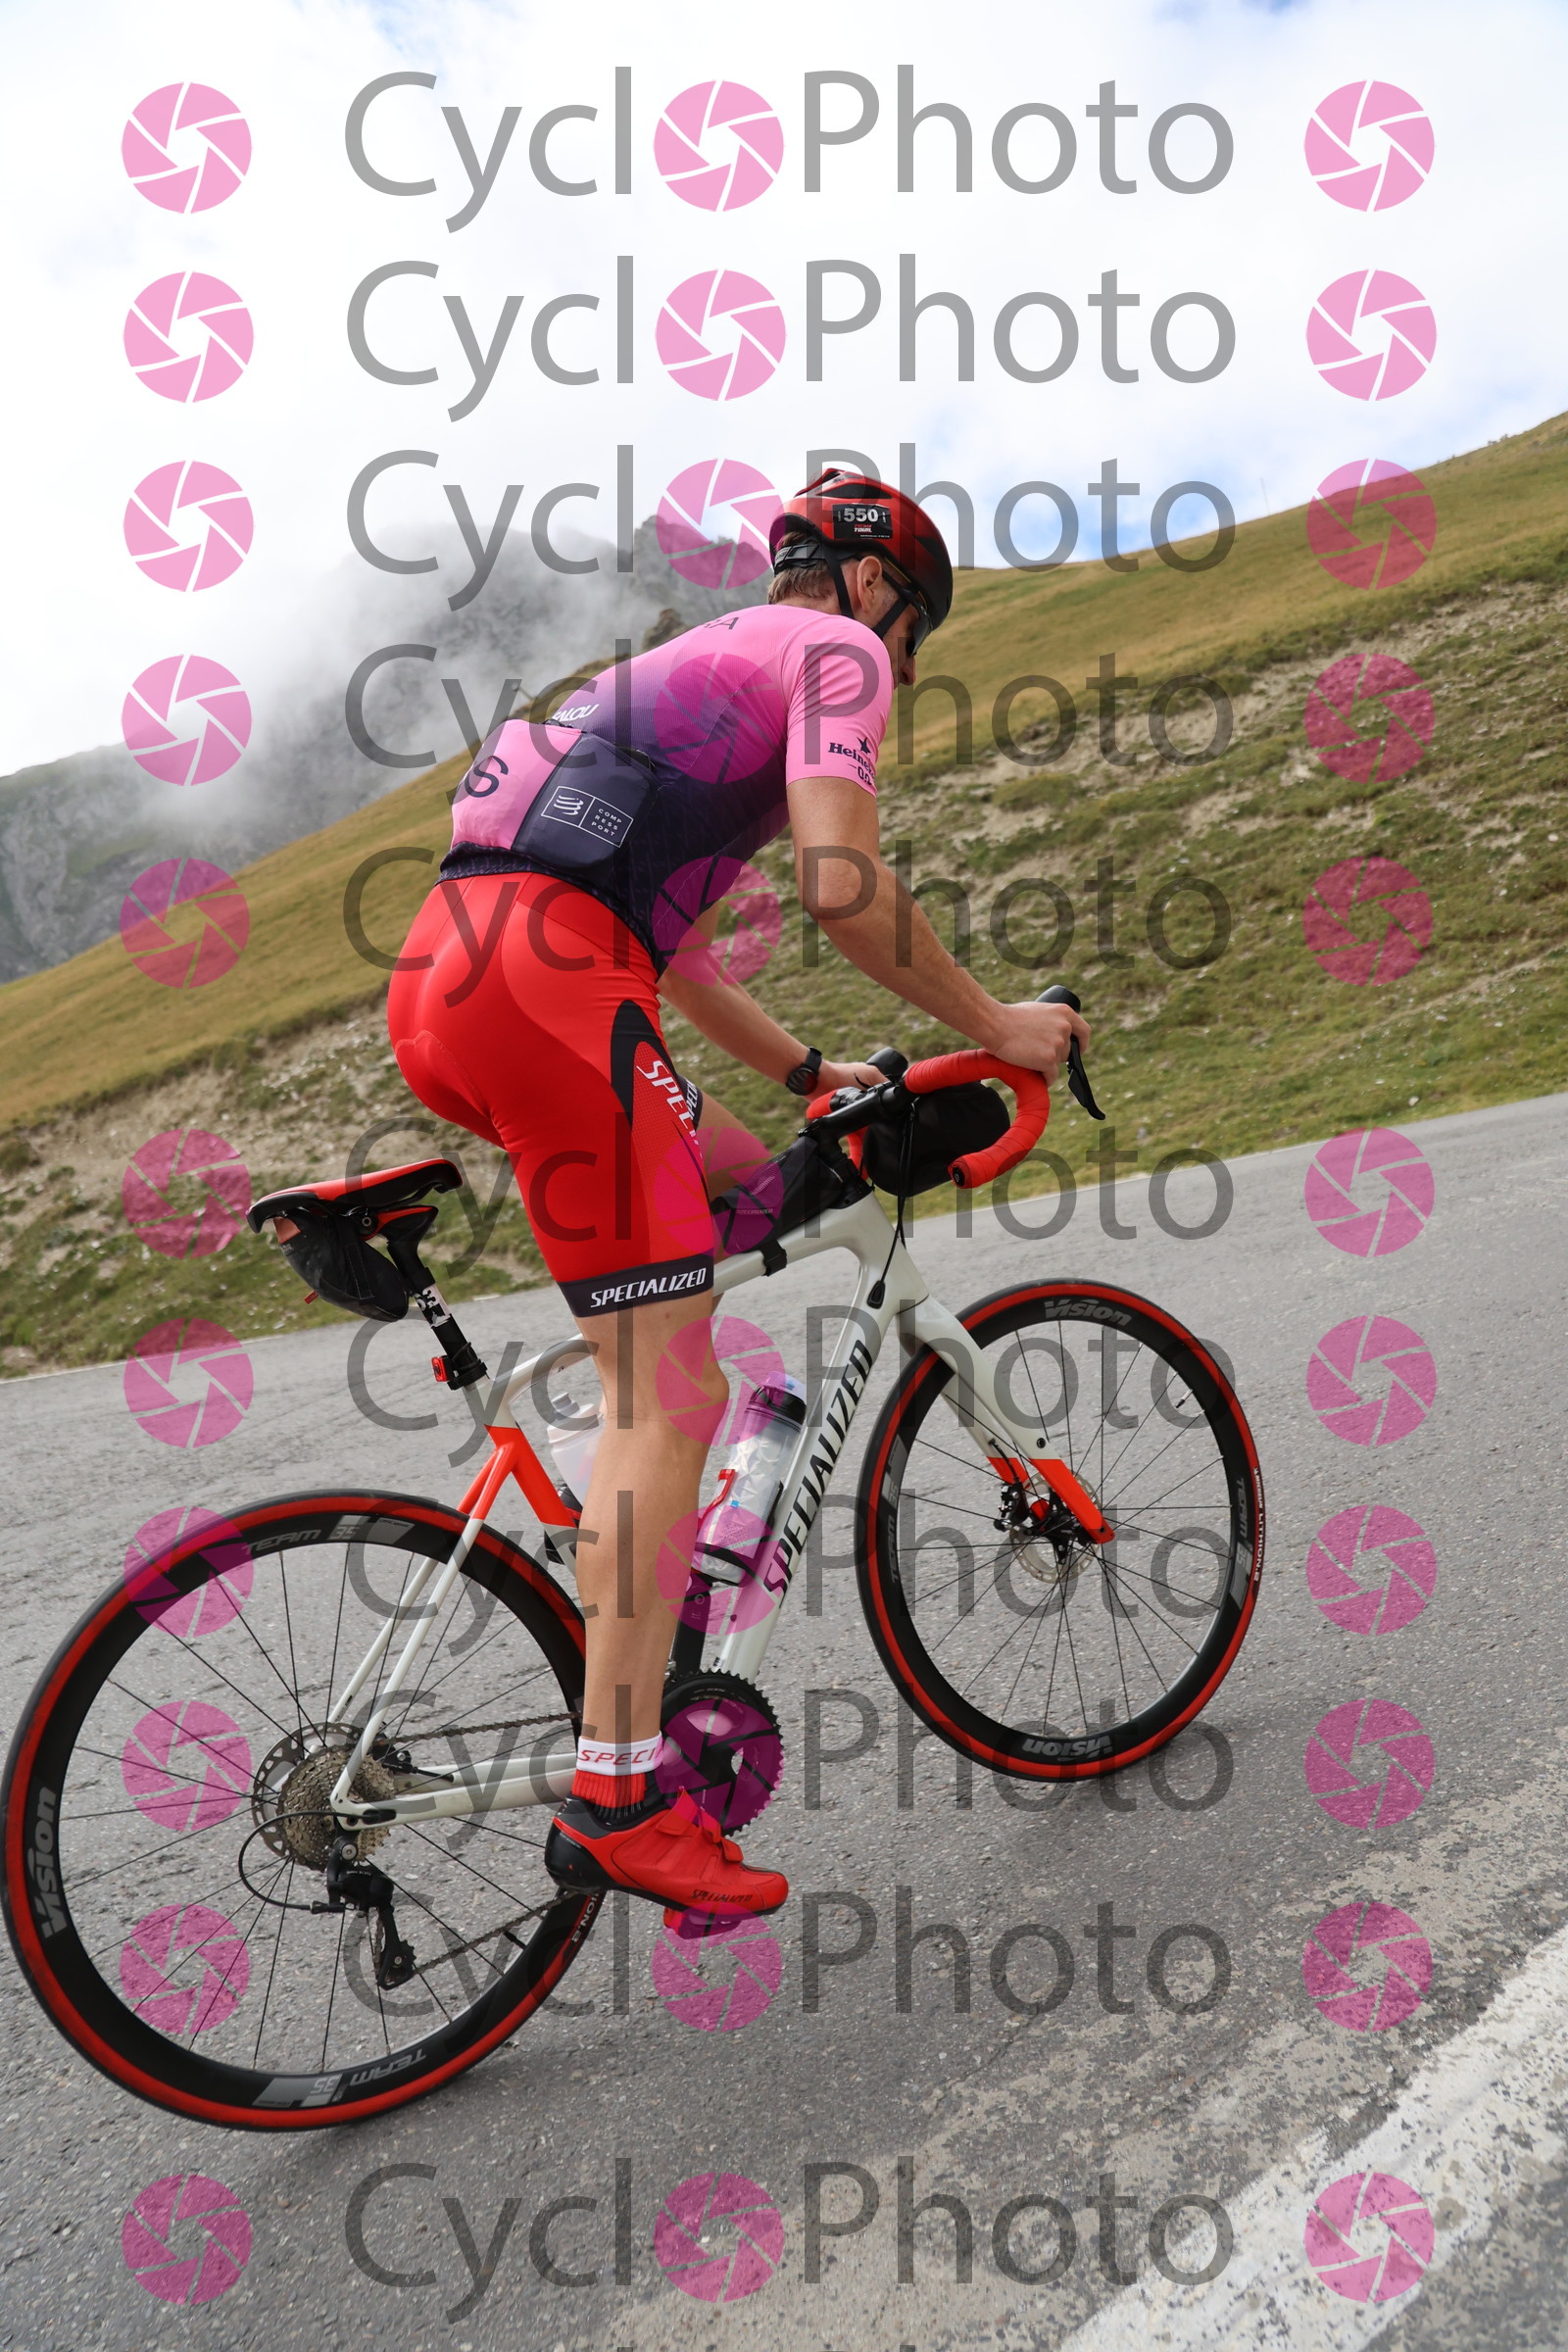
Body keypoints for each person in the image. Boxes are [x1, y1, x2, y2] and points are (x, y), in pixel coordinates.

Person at [387, 470, 1090, 1926]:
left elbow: (687, 957)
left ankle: (667, 1577)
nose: (903, 668)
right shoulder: (834, 654)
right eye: (915, 632)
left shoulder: (681, 671)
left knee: (732, 1196)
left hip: (452, 977)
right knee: (668, 1389)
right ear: (878, 586)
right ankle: (621, 1795)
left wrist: (813, 1078)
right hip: (558, 982)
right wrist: (1000, 1026)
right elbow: (842, 882)